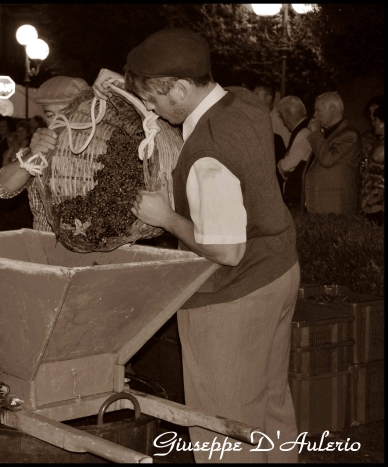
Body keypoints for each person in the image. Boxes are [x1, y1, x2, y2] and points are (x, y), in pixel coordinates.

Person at [92, 28, 300, 463]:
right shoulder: (242, 101)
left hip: (235, 293)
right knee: (269, 401)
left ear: (182, 88)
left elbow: (227, 250)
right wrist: (128, 86)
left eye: (154, 97)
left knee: (223, 421)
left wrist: (165, 217)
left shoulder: (209, 151)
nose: (150, 106)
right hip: (279, 270)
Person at [0, 76, 91, 232]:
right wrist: (33, 153)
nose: (58, 121)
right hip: (44, 248)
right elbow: (1, 189)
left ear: (86, 112)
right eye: (50, 115)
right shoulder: (38, 151)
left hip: (93, 252)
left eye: (66, 112)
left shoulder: (101, 152)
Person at [304, 91, 363, 215]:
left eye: (318, 110)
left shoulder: (349, 135)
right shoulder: (328, 132)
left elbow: (327, 159)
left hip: (336, 205)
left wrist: (315, 132)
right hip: (322, 203)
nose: (314, 115)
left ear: (332, 109)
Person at [276, 96, 312, 207]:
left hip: (298, 195)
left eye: (282, 117)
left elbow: (287, 166)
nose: (283, 124)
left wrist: (279, 164)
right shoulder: (306, 130)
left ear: (288, 114)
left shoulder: (305, 133)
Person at [253, 85, 289, 194]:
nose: (252, 97)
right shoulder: (260, 119)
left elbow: (285, 147)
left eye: (256, 94)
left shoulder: (277, 121)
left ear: (269, 98)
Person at [360, 103, 384, 225]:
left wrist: (376, 197)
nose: (373, 122)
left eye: (376, 119)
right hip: (370, 199)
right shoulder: (376, 141)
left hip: (377, 202)